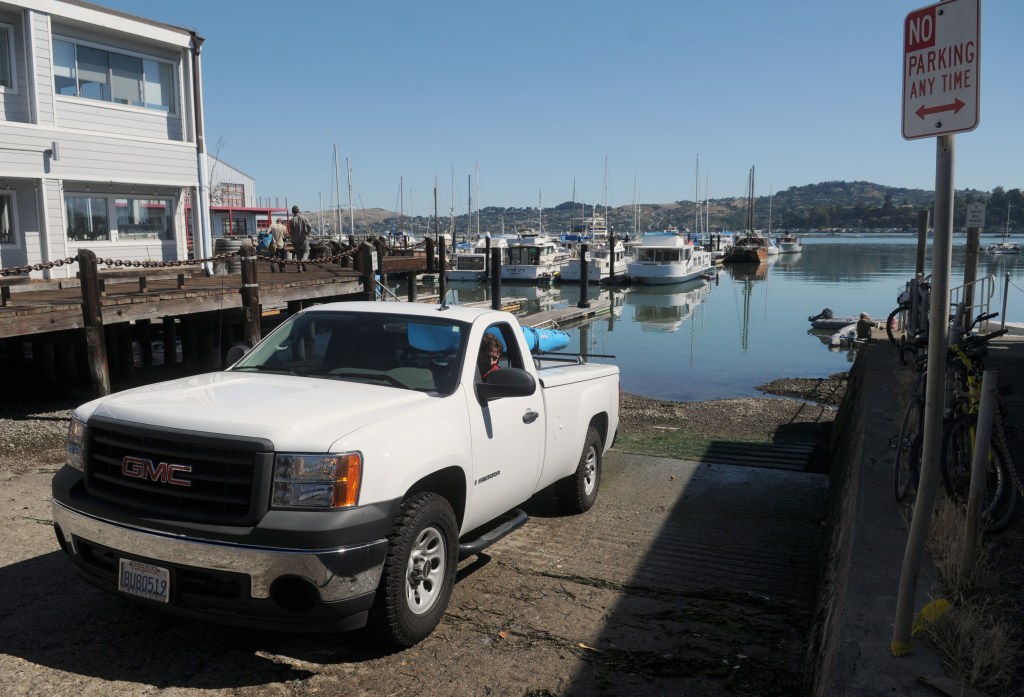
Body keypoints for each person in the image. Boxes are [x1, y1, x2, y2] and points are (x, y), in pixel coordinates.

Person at [289, 205, 313, 272]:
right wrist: (307, 233)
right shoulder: (303, 217)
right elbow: (309, 226)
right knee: (306, 252)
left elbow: (291, 232)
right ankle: (303, 261)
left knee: (298, 254)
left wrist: (292, 240)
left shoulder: (291, 220)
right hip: (304, 238)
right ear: (298, 211)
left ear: (292, 212)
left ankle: (299, 268)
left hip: (296, 240)